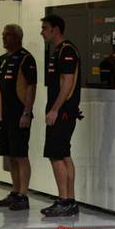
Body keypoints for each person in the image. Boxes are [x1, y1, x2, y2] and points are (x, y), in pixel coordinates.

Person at [39, 14, 82, 217]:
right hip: (62, 110)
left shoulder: (67, 50)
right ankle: (69, 200)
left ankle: (64, 200)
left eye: (45, 28)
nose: (42, 32)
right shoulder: (57, 51)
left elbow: (68, 82)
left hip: (63, 111)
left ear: (55, 29)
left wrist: (55, 109)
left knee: (56, 154)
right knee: (63, 154)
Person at [0, 24, 37, 212]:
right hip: (4, 115)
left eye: (8, 35)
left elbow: (31, 87)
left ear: (17, 37)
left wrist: (27, 112)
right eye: (3, 35)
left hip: (19, 114)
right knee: (9, 154)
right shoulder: (1, 60)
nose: (4, 38)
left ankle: (23, 194)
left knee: (20, 154)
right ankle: (15, 191)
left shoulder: (26, 59)